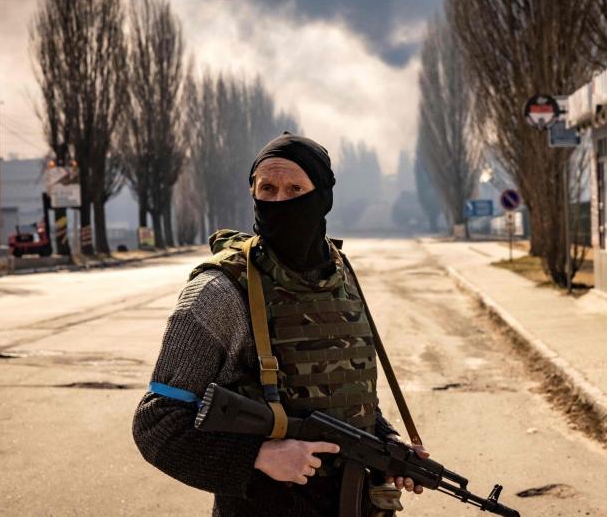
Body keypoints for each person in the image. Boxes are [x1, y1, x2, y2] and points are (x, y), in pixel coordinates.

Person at [132, 133, 428, 517]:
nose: (278, 202)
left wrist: (385, 442)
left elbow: (341, 388)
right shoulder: (220, 290)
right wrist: (258, 456)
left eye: (295, 189)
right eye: (266, 188)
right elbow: (155, 423)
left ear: (323, 197)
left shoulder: (340, 275)